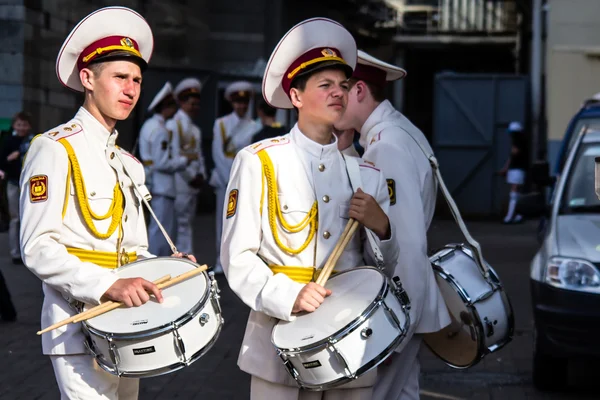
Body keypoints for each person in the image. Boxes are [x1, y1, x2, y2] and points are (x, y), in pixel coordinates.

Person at [19, 7, 195, 399]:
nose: (130, 89)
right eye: (119, 77)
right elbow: (36, 248)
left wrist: (166, 271)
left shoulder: (129, 162)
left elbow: (132, 250)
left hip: (127, 326)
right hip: (75, 326)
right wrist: (108, 284)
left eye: (136, 80)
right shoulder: (54, 148)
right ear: (87, 78)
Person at [221, 18, 399, 400]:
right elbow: (237, 259)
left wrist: (382, 228)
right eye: (326, 85)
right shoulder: (260, 162)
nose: (339, 94)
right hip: (278, 339)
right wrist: (288, 295)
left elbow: (383, 267)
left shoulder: (364, 170)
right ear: (297, 97)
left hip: (350, 339)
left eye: (344, 86)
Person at [334, 50, 451, 400]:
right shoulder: (395, 132)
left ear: (358, 91)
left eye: (340, 91)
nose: (333, 102)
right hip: (407, 303)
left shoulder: (386, 147)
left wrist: (394, 325)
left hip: (397, 305)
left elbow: (405, 244)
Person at [139, 82, 197, 255]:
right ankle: (156, 264)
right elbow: (161, 162)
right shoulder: (160, 130)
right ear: (167, 107)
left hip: (155, 184)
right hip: (162, 186)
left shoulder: (150, 125)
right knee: (161, 231)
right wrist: (184, 160)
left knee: (158, 229)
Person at [210, 81, 260, 274]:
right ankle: (220, 261)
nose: (241, 106)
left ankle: (239, 263)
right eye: (238, 102)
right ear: (232, 102)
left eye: (244, 102)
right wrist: (229, 180)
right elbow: (217, 154)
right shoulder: (221, 124)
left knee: (245, 221)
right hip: (225, 179)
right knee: (222, 222)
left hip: (246, 179)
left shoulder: (254, 126)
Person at [167, 77, 206, 255]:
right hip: (181, 182)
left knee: (187, 222)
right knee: (180, 223)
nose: (195, 108)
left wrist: (201, 175)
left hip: (193, 182)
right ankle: (183, 256)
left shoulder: (194, 128)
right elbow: (175, 156)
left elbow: (198, 155)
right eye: (192, 104)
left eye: (198, 104)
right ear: (181, 102)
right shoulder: (173, 125)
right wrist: (191, 178)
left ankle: (186, 255)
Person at [0, 111, 35, 264]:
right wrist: (9, 158)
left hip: (29, 183)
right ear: (14, 125)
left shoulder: (34, 140)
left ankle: (28, 252)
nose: (21, 128)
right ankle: (15, 253)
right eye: (19, 125)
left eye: (24, 125)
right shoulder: (8, 140)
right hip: (14, 183)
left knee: (29, 218)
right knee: (15, 218)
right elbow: (1, 161)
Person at [499, 121, 527, 224]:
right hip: (516, 169)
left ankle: (510, 216)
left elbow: (513, 155)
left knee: (514, 193)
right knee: (516, 192)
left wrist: (505, 168)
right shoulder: (519, 143)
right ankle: (516, 215)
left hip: (517, 169)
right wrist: (506, 168)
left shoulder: (519, 143)